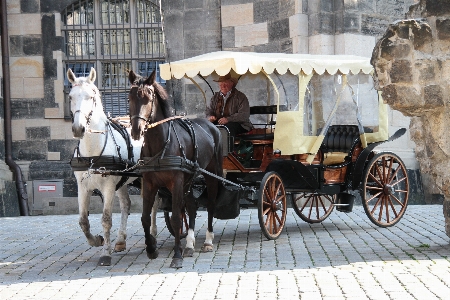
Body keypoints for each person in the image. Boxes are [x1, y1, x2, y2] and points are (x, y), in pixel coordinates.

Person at [205, 73, 253, 137]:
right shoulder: (215, 97)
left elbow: (244, 115)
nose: (223, 86)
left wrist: (228, 119)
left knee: (227, 129)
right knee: (207, 128)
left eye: (225, 83)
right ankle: (212, 147)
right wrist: (210, 117)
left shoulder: (240, 97)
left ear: (232, 84)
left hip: (239, 124)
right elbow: (208, 110)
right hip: (219, 123)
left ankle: (228, 147)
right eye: (221, 84)